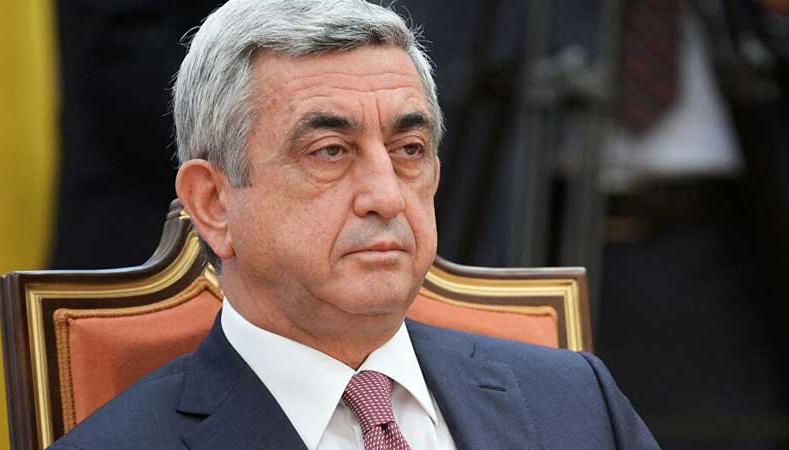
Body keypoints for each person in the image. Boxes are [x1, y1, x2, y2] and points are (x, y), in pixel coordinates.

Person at [47, 1, 659, 449]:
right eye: (330, 152)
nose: (386, 196)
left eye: (409, 149)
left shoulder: (578, 401)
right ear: (213, 203)